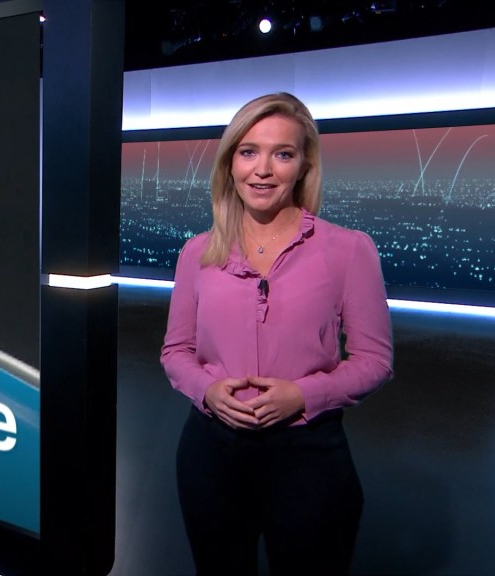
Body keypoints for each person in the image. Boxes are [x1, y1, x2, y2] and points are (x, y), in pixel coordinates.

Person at [160, 92, 393, 574]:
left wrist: (304, 395)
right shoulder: (197, 252)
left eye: (282, 154)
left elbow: (375, 361)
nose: (262, 170)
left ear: (304, 165)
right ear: (230, 163)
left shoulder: (349, 249)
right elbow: (176, 351)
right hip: (210, 453)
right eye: (248, 152)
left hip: (309, 457)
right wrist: (207, 390)